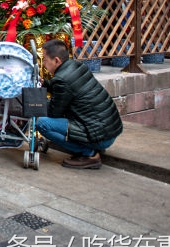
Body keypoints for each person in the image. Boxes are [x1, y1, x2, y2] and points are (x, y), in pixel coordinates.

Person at [38, 39, 124, 169]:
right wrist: (45, 84)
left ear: (56, 60)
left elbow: (53, 113)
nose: (43, 63)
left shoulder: (61, 80)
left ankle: (89, 154)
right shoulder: (76, 66)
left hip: (101, 137)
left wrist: (36, 102)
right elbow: (67, 90)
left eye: (44, 59)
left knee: (42, 123)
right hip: (110, 130)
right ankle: (91, 147)